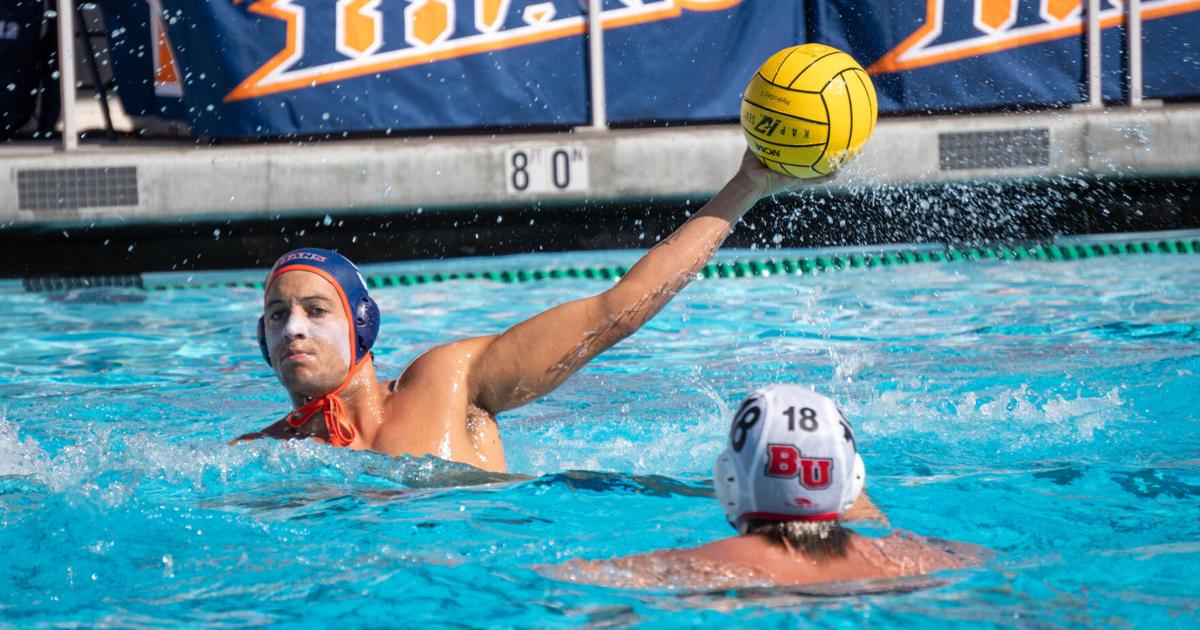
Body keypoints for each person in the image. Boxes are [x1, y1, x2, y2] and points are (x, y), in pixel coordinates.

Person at [233, 151, 817, 472]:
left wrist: (745, 185)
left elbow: (617, 310)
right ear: (262, 339)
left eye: (316, 310)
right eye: (277, 316)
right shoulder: (264, 456)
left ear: (363, 325)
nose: (294, 329)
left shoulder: (448, 381)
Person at [544, 385, 982, 590]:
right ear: (853, 483)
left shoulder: (691, 568)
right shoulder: (928, 559)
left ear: (727, 481)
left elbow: (552, 582)